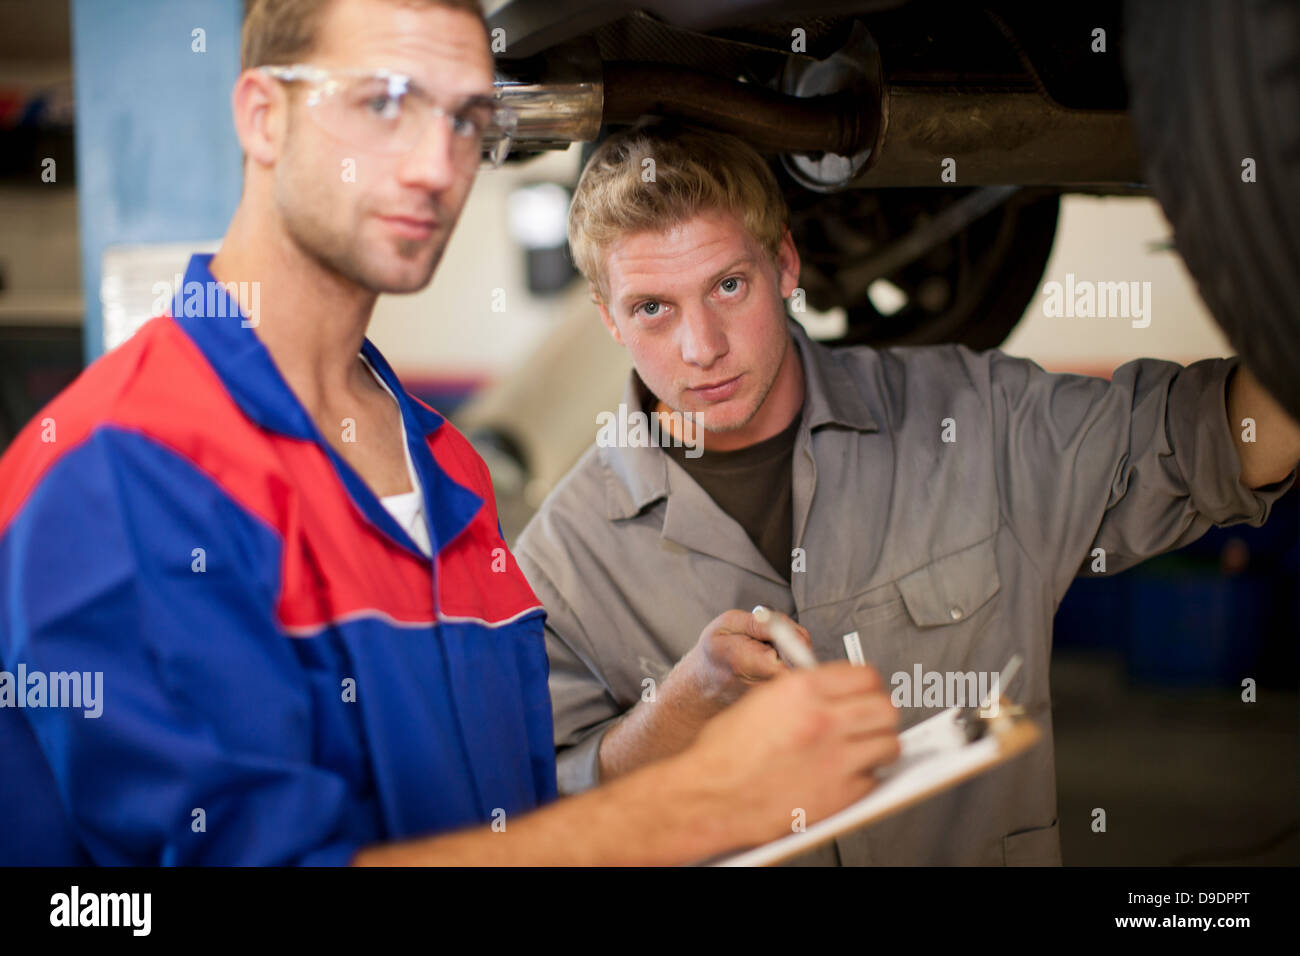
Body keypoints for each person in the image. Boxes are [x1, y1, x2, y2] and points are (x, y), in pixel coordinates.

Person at [0, 0, 901, 866]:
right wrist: (702, 804)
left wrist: (677, 722)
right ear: (264, 116)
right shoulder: (116, 471)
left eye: (467, 117)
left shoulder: (447, 468)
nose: (437, 164)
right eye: (385, 101)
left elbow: (507, 827)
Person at [513, 123, 1300, 865]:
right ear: (609, 320)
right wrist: (683, 702)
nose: (702, 347)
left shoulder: (973, 420)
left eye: (728, 285)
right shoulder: (561, 562)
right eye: (652, 308)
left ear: (785, 265)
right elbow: (551, 814)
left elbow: (1215, 441)